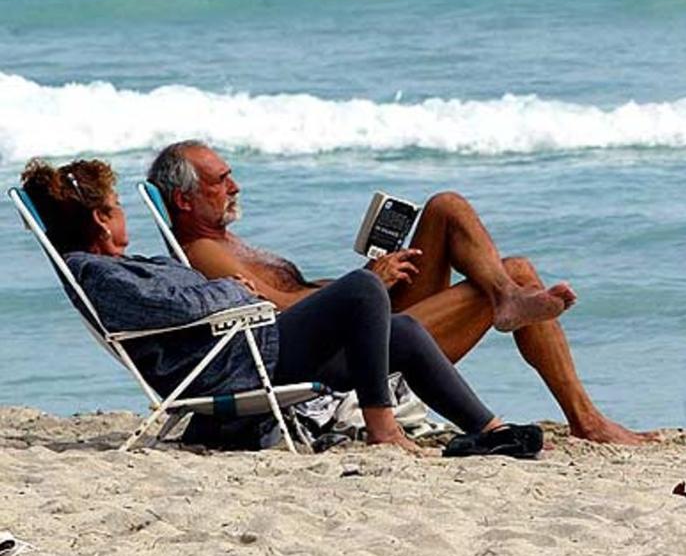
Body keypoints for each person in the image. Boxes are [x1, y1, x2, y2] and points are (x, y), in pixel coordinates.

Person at [20, 157, 543, 458]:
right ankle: (385, 429)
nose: (122, 218)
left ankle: (491, 431)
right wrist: (235, 291)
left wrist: (234, 291)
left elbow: (183, 296)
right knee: (363, 291)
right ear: (98, 221)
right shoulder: (100, 273)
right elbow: (181, 303)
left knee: (401, 331)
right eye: (114, 209)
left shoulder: (127, 263)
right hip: (237, 365)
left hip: (252, 349)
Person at [148, 140, 655, 444]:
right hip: (349, 359)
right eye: (220, 180)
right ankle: (585, 419)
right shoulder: (204, 252)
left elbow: (302, 298)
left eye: (230, 175)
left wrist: (370, 277)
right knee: (519, 270)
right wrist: (368, 286)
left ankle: (506, 298)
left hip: (357, 327)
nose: (234, 186)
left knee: (446, 207)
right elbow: (279, 320)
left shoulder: (228, 240)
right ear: (184, 200)